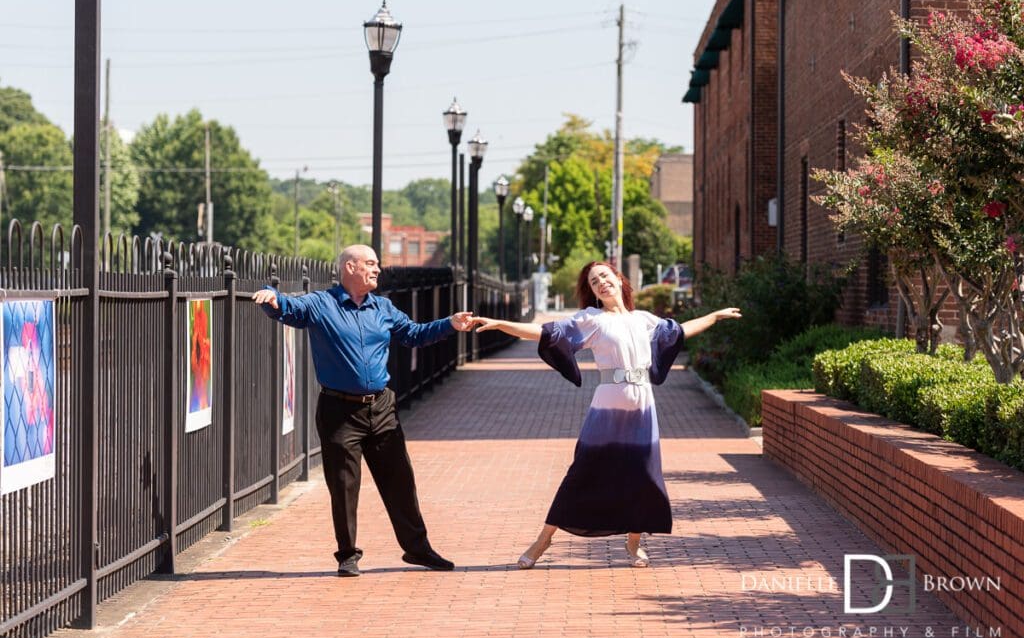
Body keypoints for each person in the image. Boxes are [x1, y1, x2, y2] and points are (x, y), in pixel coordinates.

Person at [467, 261, 740, 569]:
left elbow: (679, 331)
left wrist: (715, 316)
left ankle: (633, 544)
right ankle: (543, 539)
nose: (601, 283)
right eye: (595, 282)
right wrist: (502, 324)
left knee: (643, 476)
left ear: (619, 280)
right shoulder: (592, 319)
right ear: (593, 291)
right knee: (582, 473)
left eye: (605, 277)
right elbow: (546, 332)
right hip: (608, 405)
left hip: (643, 406)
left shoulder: (643, 319)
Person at [253, 244, 474, 577]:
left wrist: (450, 323)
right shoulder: (322, 304)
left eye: (377, 264)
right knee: (343, 486)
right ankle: (347, 555)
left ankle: (418, 549)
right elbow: (289, 309)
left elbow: (413, 334)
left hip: (381, 407)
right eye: (370, 263)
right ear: (349, 268)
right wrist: (271, 297)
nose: (377, 269)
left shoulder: (383, 308)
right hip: (339, 411)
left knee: (400, 480)